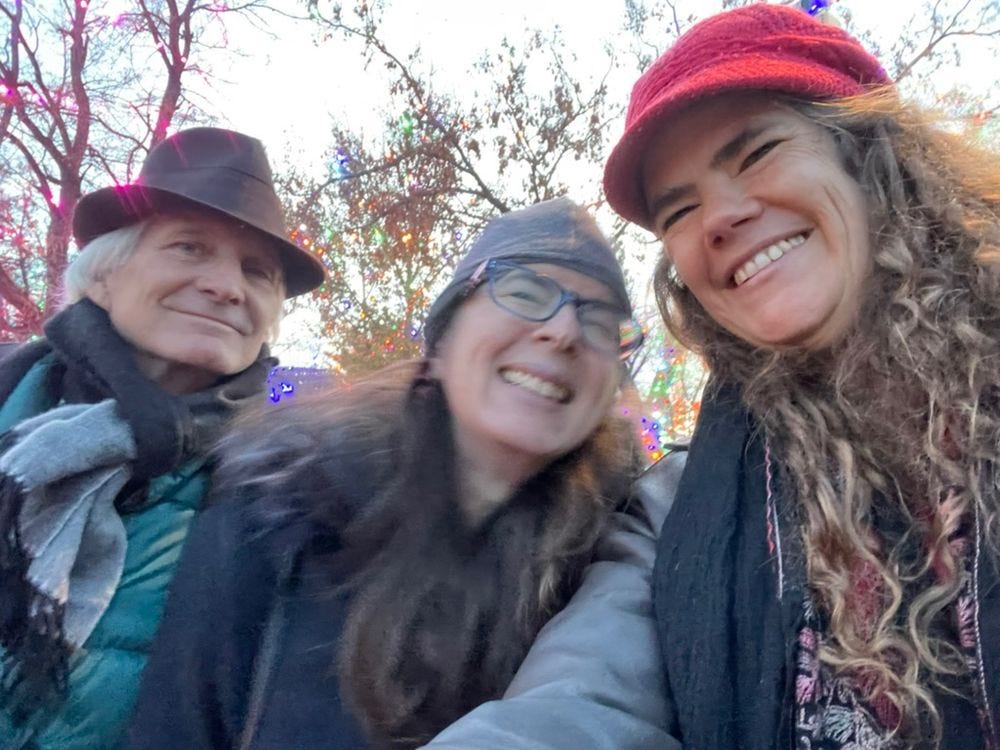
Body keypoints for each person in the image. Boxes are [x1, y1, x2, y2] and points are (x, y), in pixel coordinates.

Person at [426, 4, 1000, 749]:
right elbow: (581, 702)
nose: (719, 219)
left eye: (756, 153)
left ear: (867, 157)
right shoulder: (679, 511)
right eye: (681, 209)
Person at [123, 197, 646, 749]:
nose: (564, 331)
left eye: (602, 323)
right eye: (523, 292)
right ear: (441, 345)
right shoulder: (276, 511)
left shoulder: (614, 563)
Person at [0, 126, 325, 749]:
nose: (227, 286)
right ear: (102, 277)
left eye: (256, 272)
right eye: (188, 247)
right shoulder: (6, 388)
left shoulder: (295, 475)